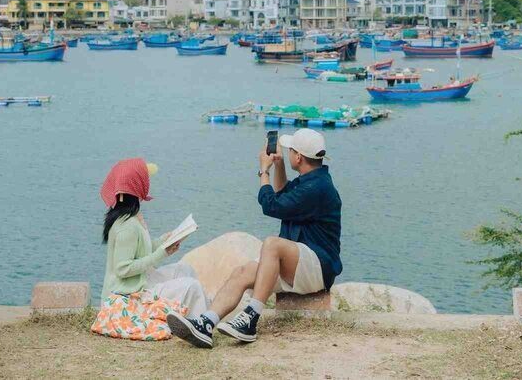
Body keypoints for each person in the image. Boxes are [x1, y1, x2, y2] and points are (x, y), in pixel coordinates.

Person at [168, 129, 341, 348]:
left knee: (272, 244)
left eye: (290, 151)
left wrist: (263, 171)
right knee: (243, 272)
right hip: (299, 265)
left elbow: (271, 204)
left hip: (317, 267)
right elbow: (282, 194)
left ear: (298, 157)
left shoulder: (317, 188)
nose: (287, 154)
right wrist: (278, 165)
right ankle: (207, 322)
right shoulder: (311, 181)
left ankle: (251, 318)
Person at [91, 157, 209, 341]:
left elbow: (140, 250)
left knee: (184, 269)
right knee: (192, 286)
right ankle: (200, 328)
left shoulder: (131, 216)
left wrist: (164, 241)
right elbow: (123, 269)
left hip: (137, 282)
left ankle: (196, 321)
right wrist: (160, 254)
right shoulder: (127, 225)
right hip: (128, 294)